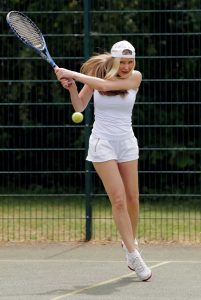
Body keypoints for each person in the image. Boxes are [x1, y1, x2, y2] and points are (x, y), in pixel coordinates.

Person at [55, 40, 152, 281]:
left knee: (132, 198)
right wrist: (71, 86)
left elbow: (107, 85)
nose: (127, 66)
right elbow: (79, 105)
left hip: (127, 142)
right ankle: (134, 255)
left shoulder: (135, 77)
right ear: (114, 60)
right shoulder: (95, 73)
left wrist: (72, 74)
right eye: (123, 62)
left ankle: (129, 242)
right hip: (102, 144)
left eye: (131, 62)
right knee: (118, 200)